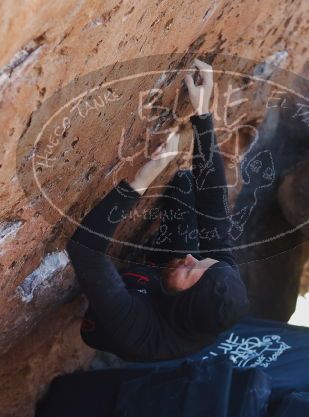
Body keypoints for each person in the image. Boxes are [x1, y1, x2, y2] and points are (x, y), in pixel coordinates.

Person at [66, 58, 249, 362]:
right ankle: (162, 228)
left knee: (146, 261)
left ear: (185, 299)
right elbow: (214, 207)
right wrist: (203, 115)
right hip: (162, 282)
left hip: (122, 307)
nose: (192, 259)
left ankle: (143, 260)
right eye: (202, 263)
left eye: (192, 270)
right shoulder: (217, 282)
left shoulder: (141, 332)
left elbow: (84, 249)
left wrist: (140, 182)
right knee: (185, 186)